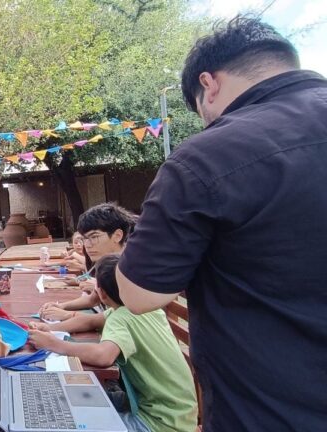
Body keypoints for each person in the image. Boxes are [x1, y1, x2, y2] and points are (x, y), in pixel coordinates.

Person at [115, 17, 327, 431]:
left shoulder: (208, 156)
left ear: (208, 84)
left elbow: (138, 294)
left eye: (201, 111)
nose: (207, 122)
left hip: (271, 410)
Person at [29, 255, 198, 432]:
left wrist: (54, 344)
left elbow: (104, 356)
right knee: (80, 402)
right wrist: (49, 329)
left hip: (159, 421)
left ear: (101, 293)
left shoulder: (121, 318)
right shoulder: (145, 309)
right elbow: (91, 321)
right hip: (178, 412)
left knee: (69, 418)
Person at [39, 203, 136, 323]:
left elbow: (127, 319)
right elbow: (92, 300)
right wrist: (61, 306)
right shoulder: (105, 263)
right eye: (84, 238)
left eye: (94, 237)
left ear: (117, 236)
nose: (88, 245)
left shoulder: (135, 268)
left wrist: (69, 315)